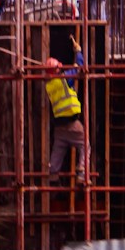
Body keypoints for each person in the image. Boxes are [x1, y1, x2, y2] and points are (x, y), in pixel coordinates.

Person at [45, 37, 90, 183]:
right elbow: (78, 67)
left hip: (59, 126)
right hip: (72, 124)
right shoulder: (63, 80)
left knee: (58, 151)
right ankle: (82, 172)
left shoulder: (49, 85)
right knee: (85, 145)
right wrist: (78, 52)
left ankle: (53, 174)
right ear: (58, 69)